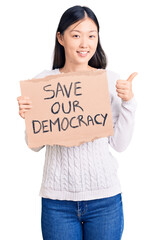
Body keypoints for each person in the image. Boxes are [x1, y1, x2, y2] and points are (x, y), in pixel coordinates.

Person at [17, 5, 137, 240]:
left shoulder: (110, 81)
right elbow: (34, 146)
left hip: (105, 200)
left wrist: (129, 103)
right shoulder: (42, 82)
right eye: (76, 35)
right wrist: (28, 118)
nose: (85, 44)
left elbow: (120, 145)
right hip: (57, 202)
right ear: (60, 38)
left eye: (91, 36)